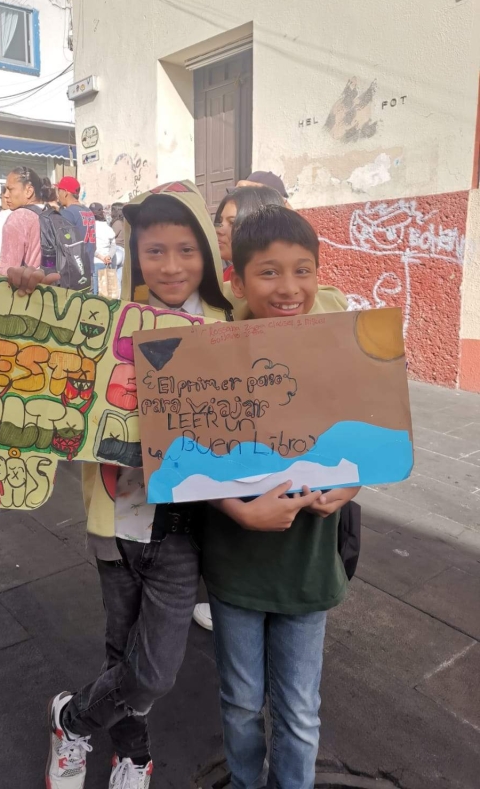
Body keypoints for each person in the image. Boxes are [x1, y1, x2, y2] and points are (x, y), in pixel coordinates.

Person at [7, 180, 235, 789]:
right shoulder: (103, 320)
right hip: (115, 522)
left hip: (184, 530)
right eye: (154, 251)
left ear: (208, 253)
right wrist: (27, 295)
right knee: (121, 652)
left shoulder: (231, 324)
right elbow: (31, 351)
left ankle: (73, 718)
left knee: (155, 670)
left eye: (186, 250)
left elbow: (314, 305)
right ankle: (133, 754)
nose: (171, 265)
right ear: (135, 255)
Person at [203, 204, 360, 789]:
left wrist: (351, 482)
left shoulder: (340, 349)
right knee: (241, 702)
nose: (288, 287)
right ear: (237, 281)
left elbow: (363, 442)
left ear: (319, 274)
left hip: (307, 567)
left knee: (299, 708)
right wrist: (236, 508)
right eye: (268, 272)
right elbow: (185, 457)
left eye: (303, 270)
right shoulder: (210, 353)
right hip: (235, 566)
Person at [214, 186, 285, 282]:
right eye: (220, 221)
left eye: (232, 223)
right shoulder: (222, 277)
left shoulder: (280, 284)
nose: (219, 230)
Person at [0, 167, 43, 276]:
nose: (6, 195)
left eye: (10, 189)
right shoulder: (51, 212)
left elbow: (7, 272)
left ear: (28, 191)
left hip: (30, 291)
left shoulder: (19, 217)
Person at [56, 175, 96, 265]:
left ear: (65, 192)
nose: (58, 196)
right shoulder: (88, 211)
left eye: (59, 192)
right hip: (88, 266)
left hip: (74, 269)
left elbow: (63, 242)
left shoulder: (68, 213)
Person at [90, 202, 116, 294]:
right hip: (106, 263)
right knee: (107, 294)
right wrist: (108, 256)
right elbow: (113, 245)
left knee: (95, 295)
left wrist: (100, 257)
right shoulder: (107, 227)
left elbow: (89, 246)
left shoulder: (90, 227)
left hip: (95, 263)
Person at [110, 202, 126, 288]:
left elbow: (111, 236)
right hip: (123, 251)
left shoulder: (117, 223)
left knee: (112, 280)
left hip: (117, 250)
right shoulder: (125, 223)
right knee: (118, 280)